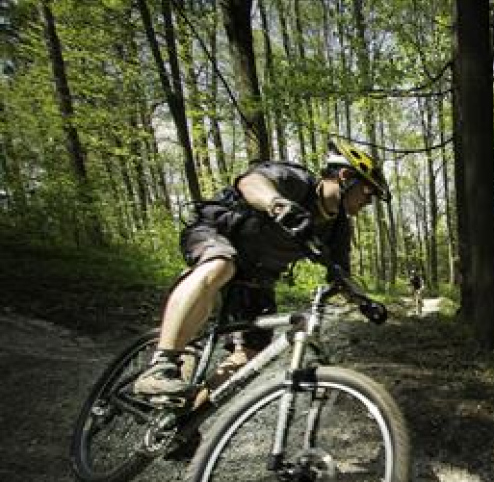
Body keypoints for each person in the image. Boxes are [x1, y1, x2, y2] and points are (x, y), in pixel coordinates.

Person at [134, 141, 391, 401]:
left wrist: (363, 300)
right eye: (368, 191)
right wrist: (278, 204)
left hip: (256, 277)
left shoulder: (338, 229)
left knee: (251, 353)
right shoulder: (298, 181)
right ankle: (161, 366)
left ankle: (189, 414)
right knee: (221, 264)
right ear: (345, 177)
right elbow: (251, 183)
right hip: (216, 234)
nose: (369, 201)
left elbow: (341, 274)